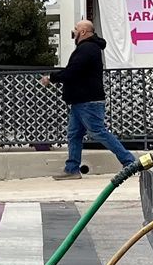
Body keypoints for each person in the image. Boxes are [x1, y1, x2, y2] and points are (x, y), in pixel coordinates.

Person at [41, 19, 135, 180]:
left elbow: (73, 71)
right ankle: (72, 169)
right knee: (74, 134)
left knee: (98, 132)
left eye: (76, 29)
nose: (74, 32)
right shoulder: (89, 48)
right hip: (81, 101)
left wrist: (52, 78)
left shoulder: (87, 49)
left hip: (87, 101)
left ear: (83, 32)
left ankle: (130, 162)